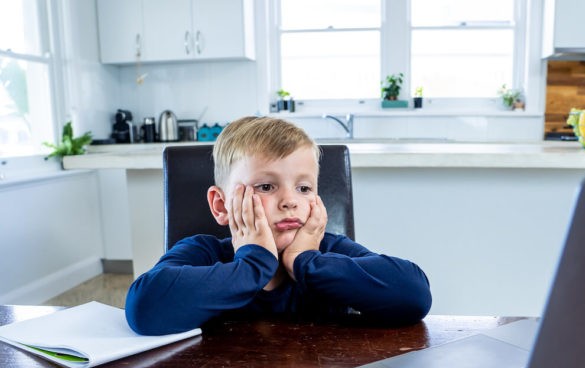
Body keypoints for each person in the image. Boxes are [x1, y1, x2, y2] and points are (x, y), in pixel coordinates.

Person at [125, 116, 431, 335]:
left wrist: (305, 262)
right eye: (267, 187)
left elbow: (414, 294)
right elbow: (144, 308)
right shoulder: (203, 252)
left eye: (304, 188)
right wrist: (254, 264)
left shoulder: (327, 251)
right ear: (221, 205)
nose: (290, 201)